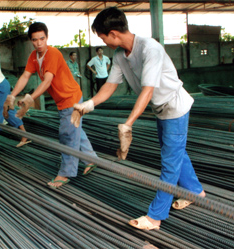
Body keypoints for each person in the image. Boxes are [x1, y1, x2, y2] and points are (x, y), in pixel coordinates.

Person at [71, 7, 205, 230]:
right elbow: (110, 85)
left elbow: (148, 90)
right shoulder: (119, 55)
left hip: (174, 107)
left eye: (103, 37)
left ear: (113, 33)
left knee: (170, 162)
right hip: (160, 109)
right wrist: (89, 104)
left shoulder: (150, 49)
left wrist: (128, 124)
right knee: (174, 152)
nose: (103, 42)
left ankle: (155, 217)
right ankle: (196, 192)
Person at [3, 22, 98, 189]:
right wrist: (11, 95)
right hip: (62, 100)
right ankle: (91, 160)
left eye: (42, 38)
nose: (39, 43)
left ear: (47, 37)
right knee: (75, 131)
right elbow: (25, 76)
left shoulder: (52, 53)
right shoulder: (34, 56)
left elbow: (47, 81)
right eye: (35, 40)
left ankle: (66, 173)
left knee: (67, 135)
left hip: (71, 98)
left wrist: (29, 99)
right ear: (31, 41)